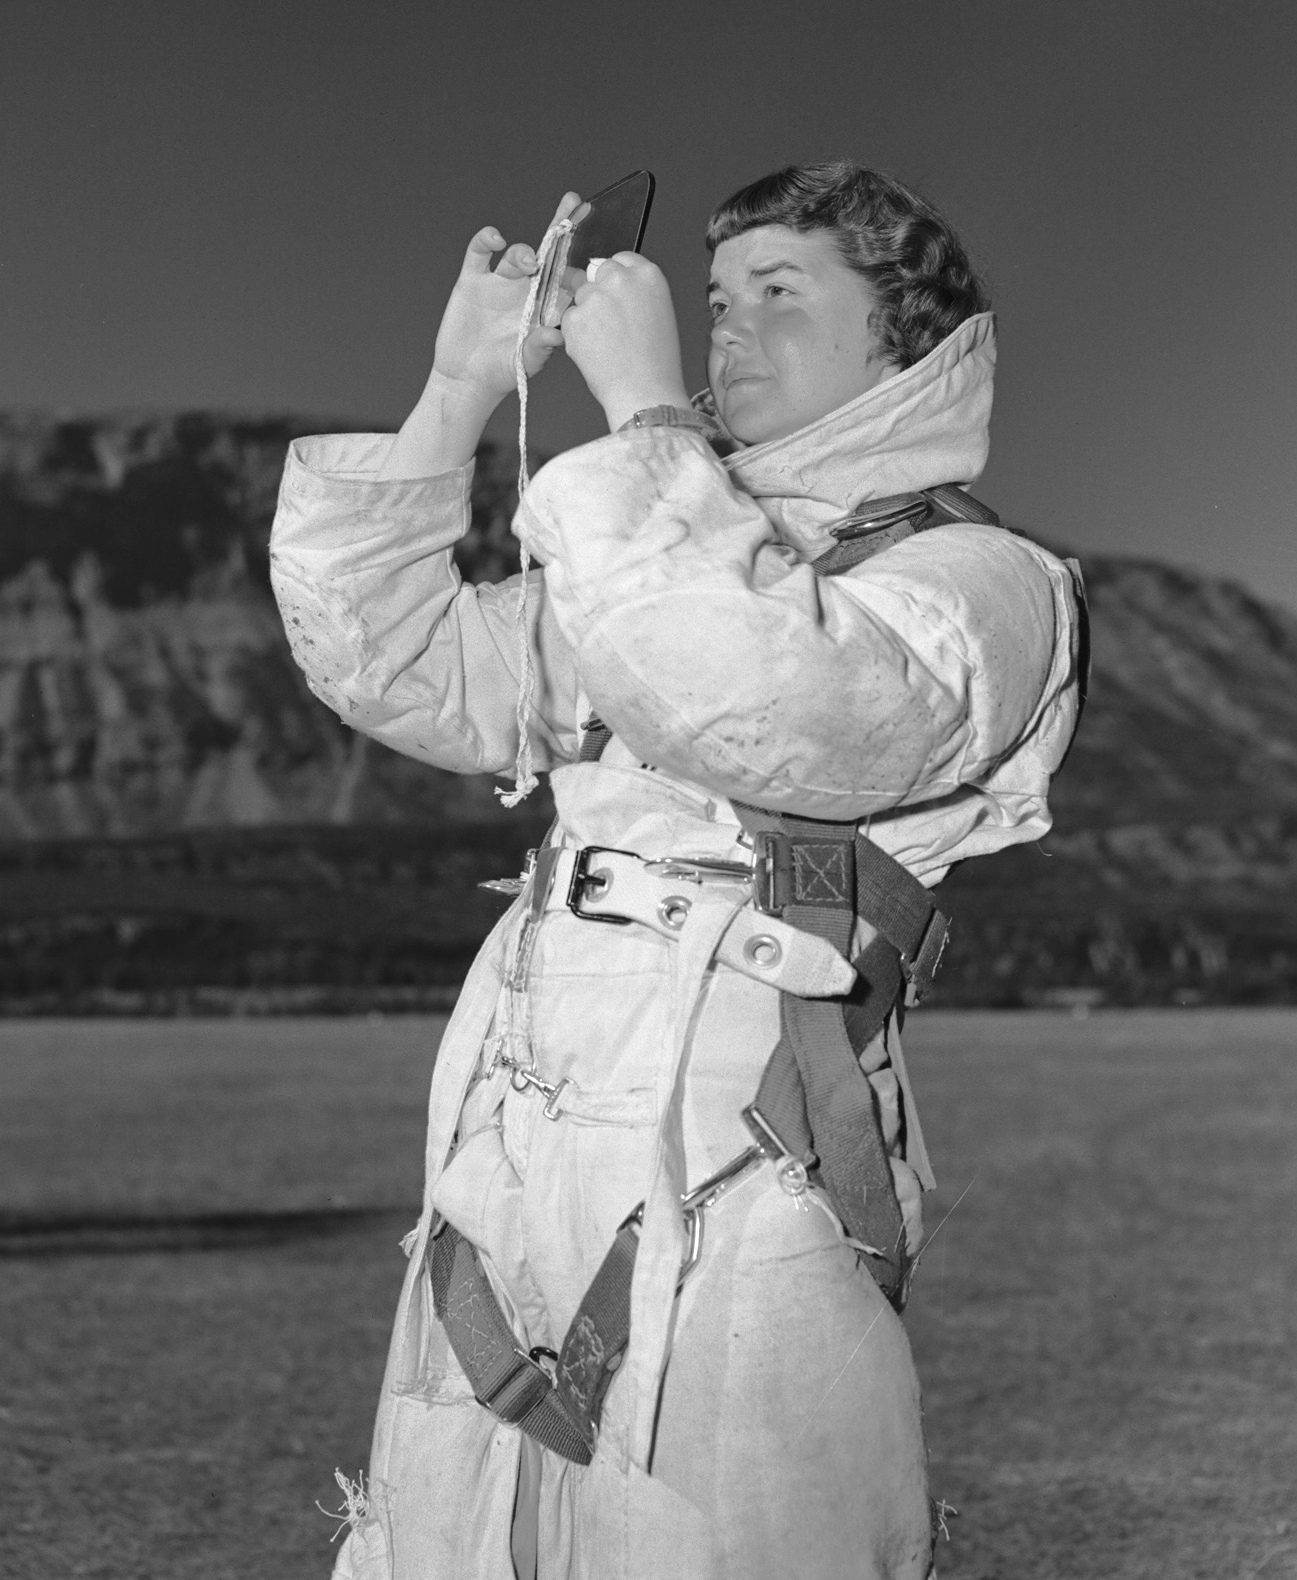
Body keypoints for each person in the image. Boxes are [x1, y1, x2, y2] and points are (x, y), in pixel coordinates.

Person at [270, 161, 1085, 1580]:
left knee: (721, 1537)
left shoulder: (983, 583)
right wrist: (458, 390)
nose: (728, 327)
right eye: (715, 299)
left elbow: (767, 699)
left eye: (781, 292)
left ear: (904, 336)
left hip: (742, 1148)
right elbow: (392, 664)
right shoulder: (652, 554)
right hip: (518, 1120)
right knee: (453, 1526)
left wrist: (651, 422)